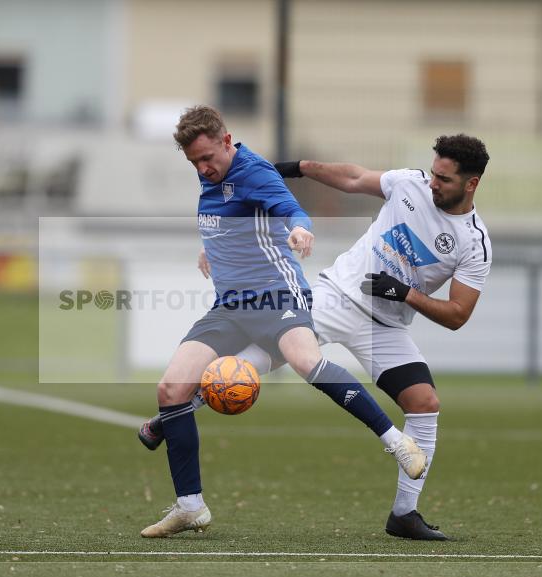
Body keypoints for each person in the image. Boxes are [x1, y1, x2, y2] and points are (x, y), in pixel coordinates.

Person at [139, 134, 491, 541]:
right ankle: (174, 414)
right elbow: (355, 177)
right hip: (335, 297)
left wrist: (404, 293)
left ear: (471, 184)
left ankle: (404, 514)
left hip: (387, 326)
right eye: (433, 173)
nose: (433, 183)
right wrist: (297, 167)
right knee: (254, 362)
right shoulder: (410, 183)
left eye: (444, 179)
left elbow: (458, 314)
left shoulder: (474, 243)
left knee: (424, 403)